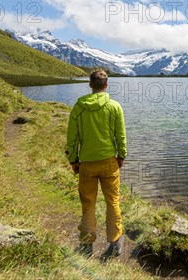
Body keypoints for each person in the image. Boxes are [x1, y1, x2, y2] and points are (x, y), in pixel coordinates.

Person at [66, 69, 127, 259]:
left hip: (87, 164)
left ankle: (86, 243)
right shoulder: (114, 106)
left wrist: (73, 160)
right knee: (113, 201)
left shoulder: (79, 107)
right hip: (109, 162)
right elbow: (120, 136)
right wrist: (121, 156)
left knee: (88, 203)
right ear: (106, 85)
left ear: (90, 85)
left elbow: (72, 137)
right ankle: (115, 241)